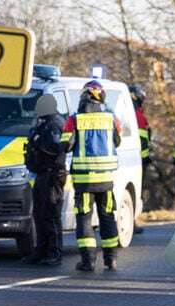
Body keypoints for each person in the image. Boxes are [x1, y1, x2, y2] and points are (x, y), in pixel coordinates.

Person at [61, 80, 123, 272]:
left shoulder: (74, 119)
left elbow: (65, 145)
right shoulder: (111, 118)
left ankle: (88, 262)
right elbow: (118, 141)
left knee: (85, 219)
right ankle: (110, 259)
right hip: (105, 180)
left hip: (84, 180)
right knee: (107, 218)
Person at [23, 93, 67, 266]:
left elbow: (55, 148)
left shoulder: (55, 124)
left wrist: (39, 140)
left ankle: (54, 253)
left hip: (52, 174)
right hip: (42, 174)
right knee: (39, 215)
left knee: (51, 215)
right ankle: (40, 251)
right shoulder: (45, 123)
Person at [130, 84, 151, 232]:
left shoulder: (132, 113)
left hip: (130, 158)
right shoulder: (137, 115)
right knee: (136, 190)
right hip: (136, 161)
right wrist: (145, 158)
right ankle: (132, 221)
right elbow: (142, 140)